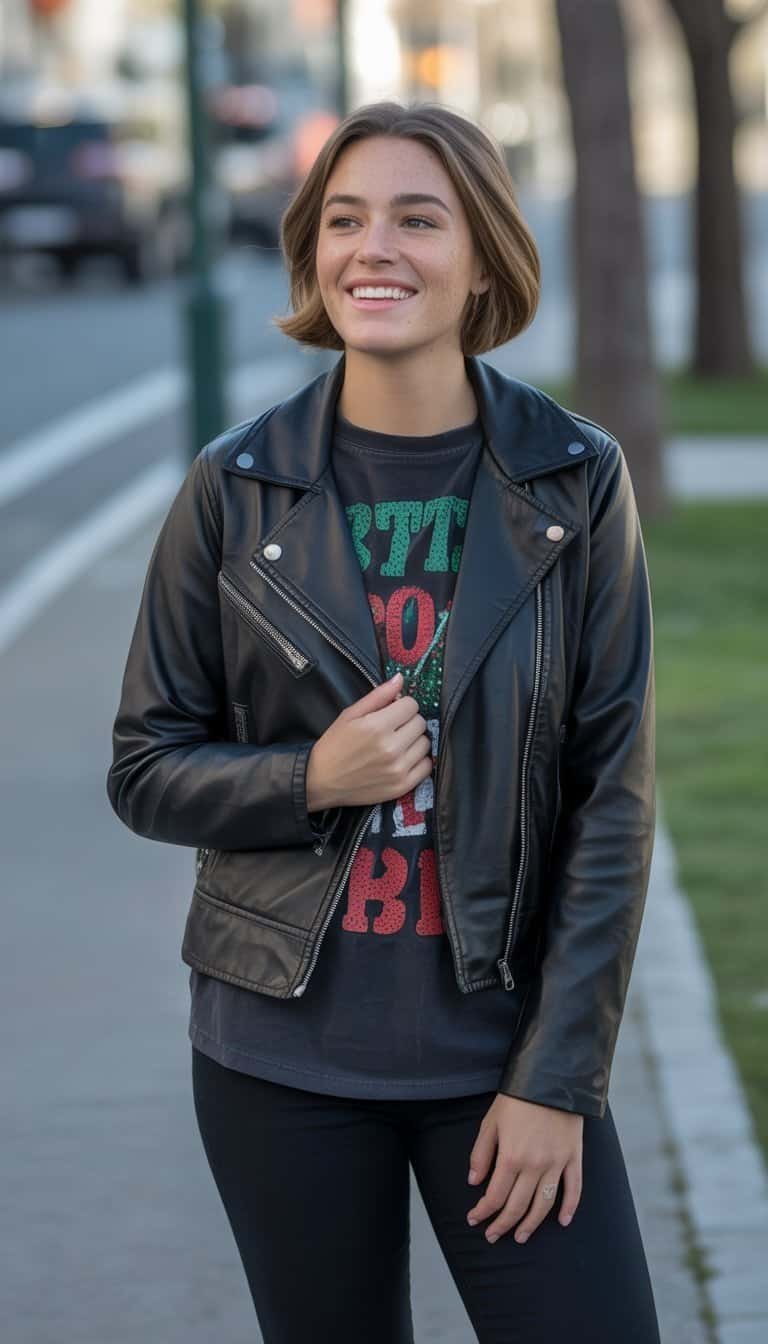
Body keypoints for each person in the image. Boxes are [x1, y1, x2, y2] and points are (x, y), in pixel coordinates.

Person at [107, 100, 660, 1343]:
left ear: (482, 260)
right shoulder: (235, 487)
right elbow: (146, 767)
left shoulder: (573, 478)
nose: (377, 249)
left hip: (500, 1056)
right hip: (280, 1065)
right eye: (345, 219)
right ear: (311, 253)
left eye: (420, 219)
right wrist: (312, 774)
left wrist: (556, 1081)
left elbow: (610, 797)